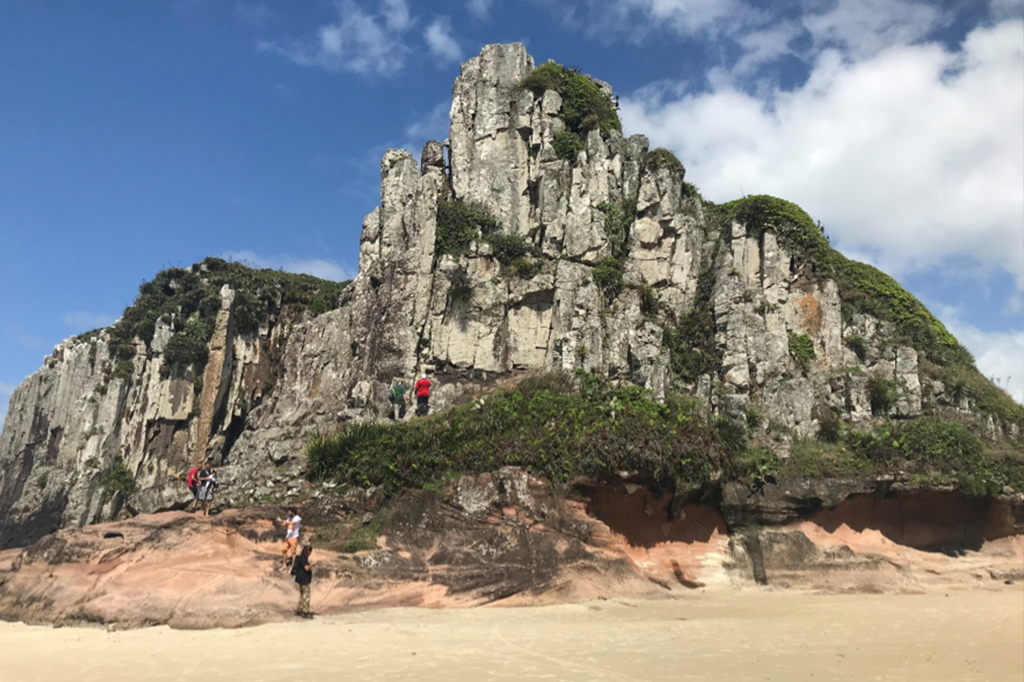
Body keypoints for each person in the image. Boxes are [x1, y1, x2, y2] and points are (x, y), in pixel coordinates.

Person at [291, 545, 314, 618]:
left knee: (302, 594)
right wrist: (312, 565)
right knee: (306, 595)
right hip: (304, 579)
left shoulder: (300, 557)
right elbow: (306, 568)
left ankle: (299, 609)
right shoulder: (304, 558)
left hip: (300, 578)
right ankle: (305, 611)